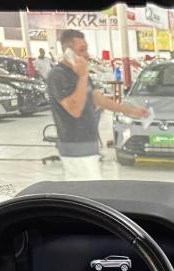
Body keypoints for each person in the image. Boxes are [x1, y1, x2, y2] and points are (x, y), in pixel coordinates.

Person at [46, 29, 149, 181]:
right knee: (85, 191)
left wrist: (132, 111)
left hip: (89, 144)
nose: (87, 54)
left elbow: (98, 99)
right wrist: (82, 76)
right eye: (82, 50)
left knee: (91, 187)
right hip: (75, 148)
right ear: (68, 52)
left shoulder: (79, 74)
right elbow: (75, 109)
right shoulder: (58, 75)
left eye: (86, 49)